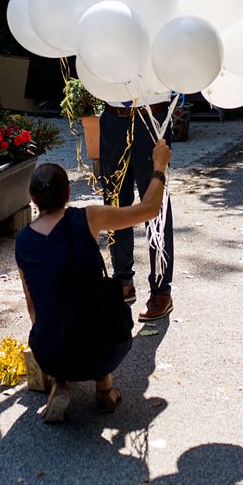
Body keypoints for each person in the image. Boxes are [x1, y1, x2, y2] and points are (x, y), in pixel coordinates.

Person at [15, 151, 170, 424]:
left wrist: (47, 352)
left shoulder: (23, 241)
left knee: (54, 317)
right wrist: (159, 166)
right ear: (69, 193)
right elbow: (148, 210)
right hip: (106, 347)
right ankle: (104, 388)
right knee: (97, 311)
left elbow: (33, 307)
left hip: (51, 353)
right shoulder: (88, 218)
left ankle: (60, 382)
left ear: (32, 198)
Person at [98, 101, 174, 320]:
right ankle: (122, 281)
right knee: (114, 203)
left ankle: (161, 291)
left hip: (152, 117)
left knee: (156, 206)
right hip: (113, 117)